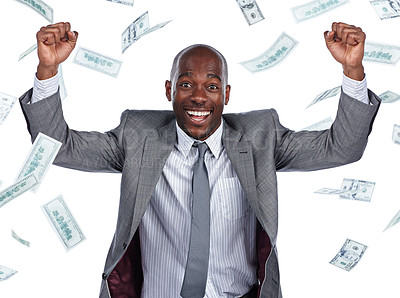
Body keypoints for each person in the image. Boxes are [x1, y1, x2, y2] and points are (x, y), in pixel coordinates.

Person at [19, 21, 380, 298]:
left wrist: (352, 72)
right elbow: (59, 147)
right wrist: (48, 71)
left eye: (211, 86)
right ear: (169, 90)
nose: (198, 97)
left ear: (225, 94)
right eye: (186, 83)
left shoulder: (260, 137)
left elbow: (343, 148)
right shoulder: (138, 136)